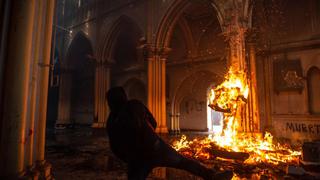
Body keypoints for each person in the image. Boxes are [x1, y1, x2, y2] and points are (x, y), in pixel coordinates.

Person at [106, 87, 233, 180]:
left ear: (110, 102)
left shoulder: (111, 120)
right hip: (155, 147)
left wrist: (129, 158)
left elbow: (115, 147)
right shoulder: (134, 104)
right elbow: (153, 122)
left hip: (136, 158)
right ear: (124, 96)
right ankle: (212, 176)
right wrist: (150, 135)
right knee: (183, 162)